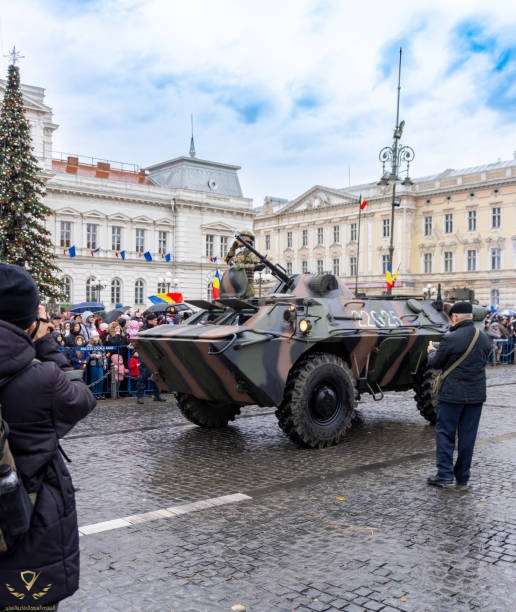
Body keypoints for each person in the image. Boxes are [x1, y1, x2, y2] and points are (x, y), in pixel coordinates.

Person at [0, 262, 96, 610]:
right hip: (25, 519)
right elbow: (81, 398)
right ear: (29, 320)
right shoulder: (42, 380)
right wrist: (46, 342)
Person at [426, 301, 491, 489]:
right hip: (476, 396)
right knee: (468, 437)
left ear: (455, 317)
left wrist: (431, 352)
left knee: (445, 433)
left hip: (452, 395)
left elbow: (436, 363)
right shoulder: (483, 337)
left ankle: (444, 474)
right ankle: (463, 477)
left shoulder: (450, 338)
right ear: (470, 316)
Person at [135, 313, 166, 404]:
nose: (156, 322)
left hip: (155, 355)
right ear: (149, 321)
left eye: (156, 320)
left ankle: (157, 395)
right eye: (154, 320)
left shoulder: (156, 329)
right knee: (142, 377)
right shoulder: (143, 330)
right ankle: (139, 396)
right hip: (146, 356)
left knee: (157, 376)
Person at [225, 230, 264, 298]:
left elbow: (260, 266)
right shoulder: (239, 254)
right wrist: (233, 248)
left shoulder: (250, 253)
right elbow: (229, 261)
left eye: (239, 240)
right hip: (237, 286)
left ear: (245, 240)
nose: (237, 241)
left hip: (247, 288)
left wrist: (244, 266)